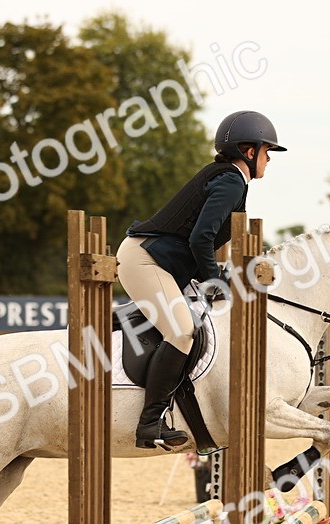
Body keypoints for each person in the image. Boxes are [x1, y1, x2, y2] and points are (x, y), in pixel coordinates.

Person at [117, 110, 285, 449]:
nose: (269, 160)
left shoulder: (228, 178)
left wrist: (218, 275)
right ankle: (149, 424)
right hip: (145, 259)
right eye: (267, 151)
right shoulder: (232, 180)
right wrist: (214, 281)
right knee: (182, 331)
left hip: (154, 260)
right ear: (248, 151)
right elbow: (200, 239)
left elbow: (198, 241)